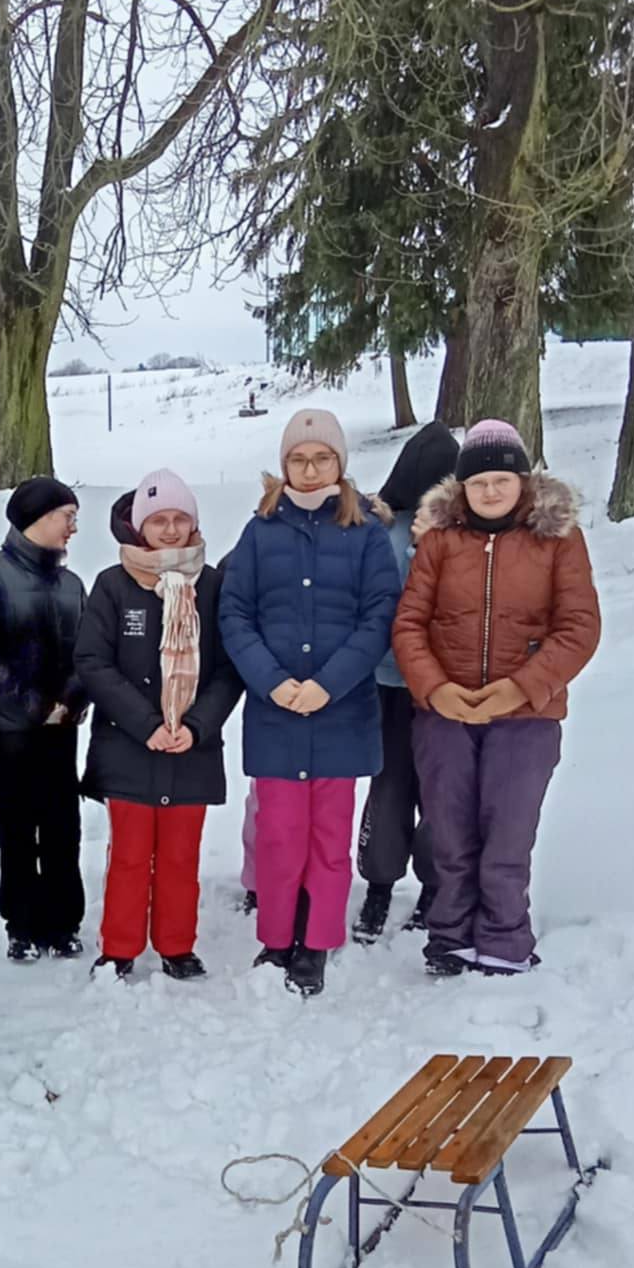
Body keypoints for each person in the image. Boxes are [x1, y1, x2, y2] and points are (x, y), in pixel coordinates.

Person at [391, 419, 601, 977]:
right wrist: (435, 688)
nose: (489, 491)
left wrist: (520, 687)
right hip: (446, 714)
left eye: (501, 480)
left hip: (526, 716)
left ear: (522, 481)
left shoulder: (558, 539)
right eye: (478, 481)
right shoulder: (439, 541)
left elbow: (579, 627)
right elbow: (409, 624)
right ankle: (451, 937)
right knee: (449, 833)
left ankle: (505, 940)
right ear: (462, 486)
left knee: (508, 833)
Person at [219, 408, 401, 999]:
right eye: (299, 459)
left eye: (322, 458)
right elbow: (234, 613)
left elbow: (380, 615)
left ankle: (317, 941)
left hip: (340, 711)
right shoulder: (260, 531)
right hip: (275, 713)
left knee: (328, 837)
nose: (310, 468)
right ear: (284, 466)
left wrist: (329, 683)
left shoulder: (365, 532)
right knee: (279, 835)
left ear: (339, 463)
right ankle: (276, 938)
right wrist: (271, 681)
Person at [75, 470, 242, 981]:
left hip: (192, 748)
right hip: (128, 745)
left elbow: (228, 669)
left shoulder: (212, 585)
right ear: (139, 527)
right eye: (158, 520)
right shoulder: (113, 585)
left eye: (179, 519)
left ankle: (176, 946)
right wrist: (146, 723)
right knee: (129, 855)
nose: (170, 530)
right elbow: (93, 661)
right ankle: (120, 947)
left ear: (193, 523)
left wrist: (197, 725)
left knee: (179, 856)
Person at [0, 476, 88, 961]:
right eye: (67, 517)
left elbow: (88, 653)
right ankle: (22, 923)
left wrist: (70, 702)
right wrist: (37, 707)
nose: (73, 527)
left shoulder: (72, 585)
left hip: (62, 728)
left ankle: (63, 921)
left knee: (63, 825)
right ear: (38, 517)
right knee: (17, 825)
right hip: (10, 729)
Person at [353, 420, 463, 944]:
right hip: (391, 685)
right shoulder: (381, 531)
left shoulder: (461, 539)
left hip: (442, 687)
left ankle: (429, 886)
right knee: (396, 788)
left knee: (431, 792)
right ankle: (382, 885)